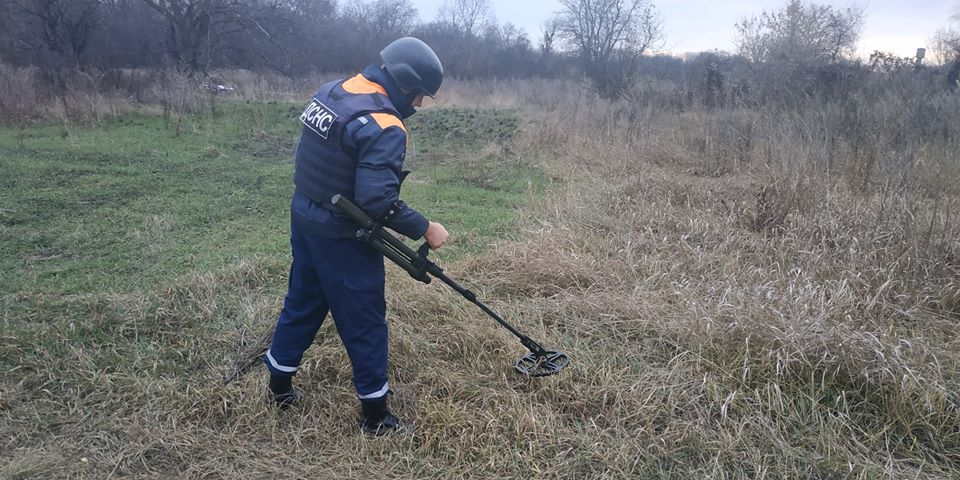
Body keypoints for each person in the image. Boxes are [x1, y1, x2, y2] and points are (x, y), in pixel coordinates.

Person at [264, 37, 448, 435]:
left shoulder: (333, 90)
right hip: (342, 235)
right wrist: (426, 228)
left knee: (303, 299)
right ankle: (376, 417)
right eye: (418, 95)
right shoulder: (385, 124)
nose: (417, 105)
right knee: (364, 321)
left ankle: (278, 386)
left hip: (305, 217)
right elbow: (377, 200)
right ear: (402, 81)